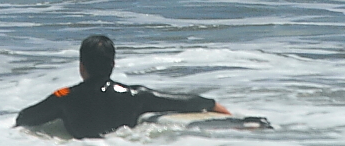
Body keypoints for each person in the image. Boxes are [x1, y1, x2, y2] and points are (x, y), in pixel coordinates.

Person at [15, 35, 232, 139]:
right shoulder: (136, 95)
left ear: (82, 66)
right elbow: (181, 101)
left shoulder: (64, 96)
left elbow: (24, 118)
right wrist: (212, 104)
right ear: (112, 64)